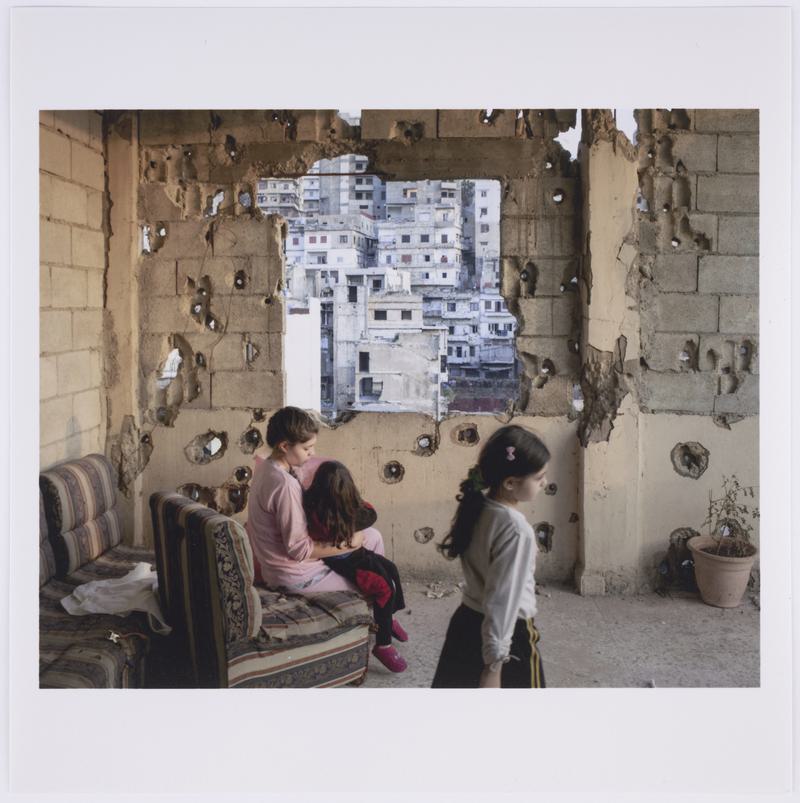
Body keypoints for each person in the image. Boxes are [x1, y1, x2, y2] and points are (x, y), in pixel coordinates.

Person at [431, 425, 550, 689]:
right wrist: (494, 664)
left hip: (466, 624)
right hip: (507, 636)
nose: (544, 482)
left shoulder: (478, 507)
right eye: (538, 477)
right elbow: (503, 600)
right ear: (510, 483)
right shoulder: (517, 530)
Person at [245, 406, 384, 595]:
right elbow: (299, 550)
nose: (312, 453)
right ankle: (378, 618)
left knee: (373, 536)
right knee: (377, 583)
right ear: (285, 446)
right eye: (306, 448)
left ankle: (377, 616)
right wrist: (350, 543)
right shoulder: (284, 485)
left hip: (278, 565)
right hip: (295, 575)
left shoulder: (265, 467)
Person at [303, 460, 409, 673]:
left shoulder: (313, 505)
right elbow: (371, 512)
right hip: (350, 562)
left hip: (350, 555)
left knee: (391, 569)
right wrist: (355, 498)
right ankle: (383, 644)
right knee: (384, 587)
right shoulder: (343, 513)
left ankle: (388, 617)